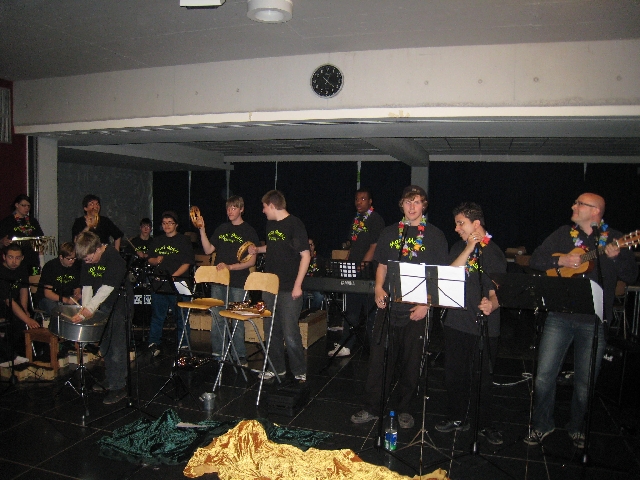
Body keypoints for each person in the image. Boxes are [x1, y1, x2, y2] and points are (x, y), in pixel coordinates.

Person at [524, 193, 638, 449]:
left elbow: (631, 275)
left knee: (585, 383)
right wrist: (561, 260)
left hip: (594, 321)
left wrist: (615, 258)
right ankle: (542, 424)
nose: (573, 206)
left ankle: (577, 427)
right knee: (543, 377)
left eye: (579, 204)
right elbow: (536, 259)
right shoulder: (563, 234)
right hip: (559, 316)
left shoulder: (614, 239)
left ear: (595, 211)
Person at [351, 185, 448, 429]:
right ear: (401, 205)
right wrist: (378, 288)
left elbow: (438, 275)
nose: (412, 207)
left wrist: (426, 303)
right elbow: (382, 265)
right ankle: (372, 407)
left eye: (417, 202)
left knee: (411, 361)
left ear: (424, 205)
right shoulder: (389, 232)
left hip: (417, 309)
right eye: (408, 202)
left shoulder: (435, 235)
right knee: (378, 359)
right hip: (389, 305)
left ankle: (405, 408)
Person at [435, 202, 507, 445]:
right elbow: (448, 276)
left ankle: (484, 424)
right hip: (456, 322)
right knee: (454, 375)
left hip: (483, 326)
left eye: (460, 223)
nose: (456, 228)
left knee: (482, 379)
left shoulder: (493, 252)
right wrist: (469, 247)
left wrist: (492, 304)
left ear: (476, 224)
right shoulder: (459, 247)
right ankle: (457, 417)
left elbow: (497, 291)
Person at [248, 190, 310, 382]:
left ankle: (299, 370)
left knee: (290, 332)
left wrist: (298, 285)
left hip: (290, 286)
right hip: (270, 286)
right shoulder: (270, 224)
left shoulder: (295, 224)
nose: (263, 211)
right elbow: (274, 246)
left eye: (264, 207)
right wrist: (258, 249)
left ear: (272, 206)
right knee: (271, 330)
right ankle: (277, 368)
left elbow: (305, 256)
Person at [198, 196, 259, 365]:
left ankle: (239, 355)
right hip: (219, 281)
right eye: (228, 208)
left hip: (238, 281)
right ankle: (219, 353)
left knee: (237, 319)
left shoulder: (249, 231)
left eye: (234, 208)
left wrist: (230, 267)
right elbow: (208, 250)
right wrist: (202, 229)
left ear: (241, 209)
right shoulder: (222, 228)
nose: (230, 211)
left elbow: (251, 262)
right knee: (218, 318)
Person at [72, 232, 130, 405]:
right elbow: (87, 285)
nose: (88, 262)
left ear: (98, 249)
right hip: (101, 305)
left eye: (90, 259)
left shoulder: (113, 258)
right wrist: (85, 309)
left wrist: (90, 308)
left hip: (118, 305)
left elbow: (107, 288)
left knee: (117, 347)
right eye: (85, 260)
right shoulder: (87, 259)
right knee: (105, 345)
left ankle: (119, 386)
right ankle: (111, 378)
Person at [328, 188, 385, 357]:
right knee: (351, 310)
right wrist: (348, 261)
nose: (359, 202)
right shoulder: (357, 220)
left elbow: (374, 247)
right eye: (357, 199)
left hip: (368, 272)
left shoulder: (375, 219)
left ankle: (376, 348)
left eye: (363, 199)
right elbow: (354, 245)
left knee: (370, 313)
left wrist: (360, 267)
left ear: (370, 201)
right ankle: (346, 345)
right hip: (354, 269)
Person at [146, 211, 195, 356]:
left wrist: (174, 276)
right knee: (157, 316)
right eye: (164, 223)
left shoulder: (183, 240)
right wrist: (155, 260)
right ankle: (154, 343)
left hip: (178, 284)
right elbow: (150, 259)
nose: (167, 225)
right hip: (159, 284)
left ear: (176, 225)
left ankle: (184, 345)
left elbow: (187, 263)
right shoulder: (157, 240)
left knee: (181, 317)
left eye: (170, 223)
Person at [0, 243, 41, 357]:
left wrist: (24, 309)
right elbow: (8, 300)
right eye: (10, 257)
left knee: (21, 319)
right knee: (19, 320)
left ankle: (19, 354)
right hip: (3, 303)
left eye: (17, 258)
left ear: (22, 258)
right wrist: (27, 319)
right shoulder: (1, 272)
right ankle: (10, 355)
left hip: (14, 303)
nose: (14, 261)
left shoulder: (22, 268)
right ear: (4, 257)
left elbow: (24, 290)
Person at [0, 194, 45, 275]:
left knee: (35, 279)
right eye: (24, 205)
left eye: (28, 206)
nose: (27, 208)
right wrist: (2, 242)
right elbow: (1, 241)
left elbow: (40, 238)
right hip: (15, 261)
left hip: (33, 259)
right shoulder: (7, 221)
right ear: (17, 205)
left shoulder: (33, 221)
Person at [36, 242, 82, 315]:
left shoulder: (76, 266)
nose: (72, 261)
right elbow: (48, 293)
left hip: (67, 296)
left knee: (83, 305)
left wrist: (77, 293)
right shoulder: (50, 266)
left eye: (74, 258)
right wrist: (66, 300)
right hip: (48, 298)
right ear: (61, 257)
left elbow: (77, 287)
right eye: (69, 259)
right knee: (56, 309)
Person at [304, 237, 324, 311]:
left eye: (311, 245)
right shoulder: (301, 259)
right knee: (302, 295)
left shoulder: (319, 259)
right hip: (304, 285)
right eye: (308, 245)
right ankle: (302, 313)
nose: (309, 247)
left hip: (315, 285)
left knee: (319, 296)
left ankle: (312, 313)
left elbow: (323, 272)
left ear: (314, 246)